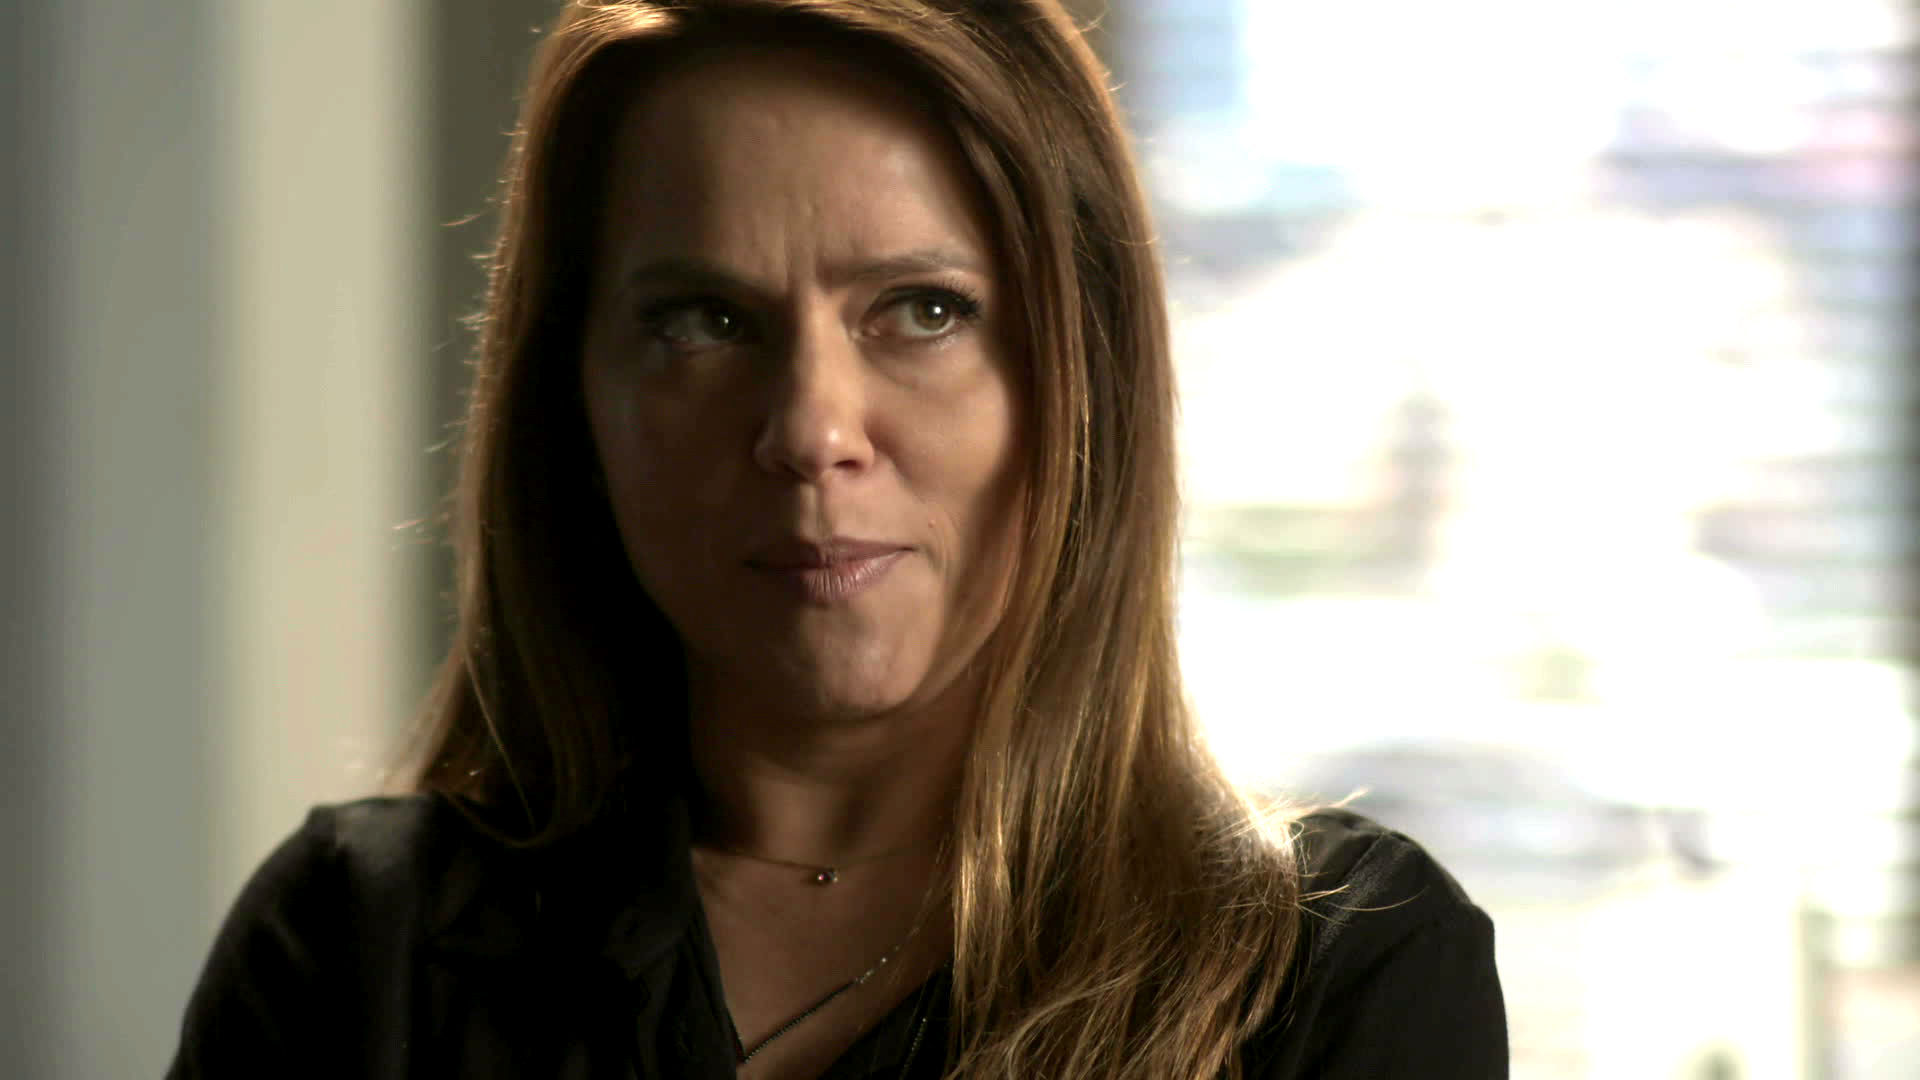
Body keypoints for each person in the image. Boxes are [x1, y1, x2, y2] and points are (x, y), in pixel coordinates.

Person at [168, 1, 1506, 1077]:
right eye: (704, 322)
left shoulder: (1327, 976)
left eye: (922, 311)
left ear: (1082, 378)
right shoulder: (357, 946)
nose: (811, 430)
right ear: (575, 396)